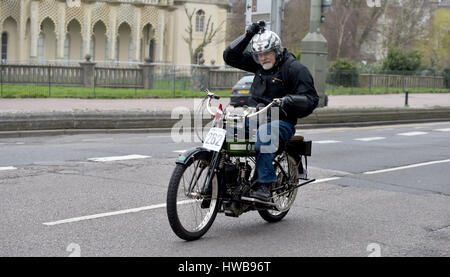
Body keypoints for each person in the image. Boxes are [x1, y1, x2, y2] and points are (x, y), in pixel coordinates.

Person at [223, 21, 319, 201]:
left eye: (267, 53)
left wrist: (289, 101)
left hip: (282, 121)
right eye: (259, 54)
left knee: (264, 134)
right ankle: (228, 180)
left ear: (277, 50)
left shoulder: (294, 69)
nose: (263, 57)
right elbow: (230, 57)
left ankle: (265, 185)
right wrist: (248, 35)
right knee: (226, 131)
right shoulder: (259, 65)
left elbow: (312, 99)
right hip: (256, 116)